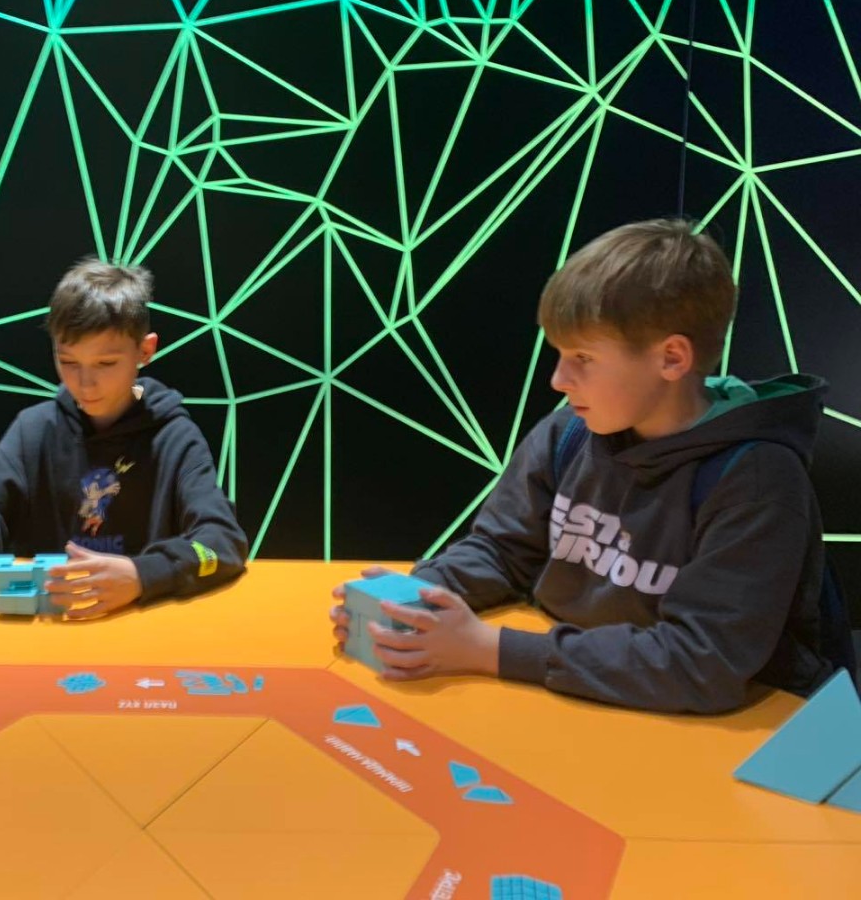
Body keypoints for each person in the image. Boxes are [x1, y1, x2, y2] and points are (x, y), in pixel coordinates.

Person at [330, 218, 835, 713]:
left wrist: (490, 650)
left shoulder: (757, 479)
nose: (558, 379)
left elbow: (701, 663)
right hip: (573, 698)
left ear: (672, 358)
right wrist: (417, 601)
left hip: (717, 735)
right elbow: (502, 551)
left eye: (583, 358)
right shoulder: (566, 434)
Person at [0, 257, 246, 617]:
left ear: (145, 350)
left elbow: (221, 544)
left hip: (142, 628)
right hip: (52, 627)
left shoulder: (175, 437)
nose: (85, 384)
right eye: (68, 362)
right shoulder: (34, 430)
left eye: (106, 364)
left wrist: (143, 574)